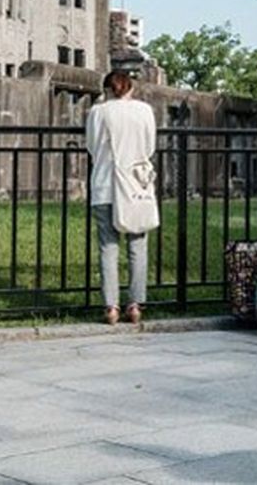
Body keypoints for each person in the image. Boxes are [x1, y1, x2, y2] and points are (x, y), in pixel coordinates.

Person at [85, 70, 157, 325]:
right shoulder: (144, 111)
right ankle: (135, 304)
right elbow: (149, 148)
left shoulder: (99, 112)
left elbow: (92, 146)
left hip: (106, 184)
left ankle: (111, 307)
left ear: (108, 89)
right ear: (130, 88)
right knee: (138, 245)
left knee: (108, 247)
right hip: (136, 186)